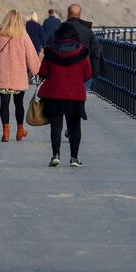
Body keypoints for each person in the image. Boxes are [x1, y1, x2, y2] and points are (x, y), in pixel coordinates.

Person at [38, 23, 92, 167]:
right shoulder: (82, 52)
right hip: (75, 95)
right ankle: (74, 158)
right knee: (74, 126)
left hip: (54, 93)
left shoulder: (50, 51)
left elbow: (43, 72)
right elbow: (87, 75)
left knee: (56, 125)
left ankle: (55, 156)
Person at [0, 10, 40, 142]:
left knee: (4, 104)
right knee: (19, 104)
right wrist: (37, 71)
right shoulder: (23, 35)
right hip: (19, 76)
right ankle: (20, 131)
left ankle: (6, 133)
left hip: (3, 75)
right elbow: (31, 55)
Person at [64, 4, 102, 90]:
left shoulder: (60, 29)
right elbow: (95, 53)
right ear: (80, 15)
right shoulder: (87, 31)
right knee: (80, 97)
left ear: (68, 14)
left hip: (64, 70)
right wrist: (94, 72)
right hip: (84, 70)